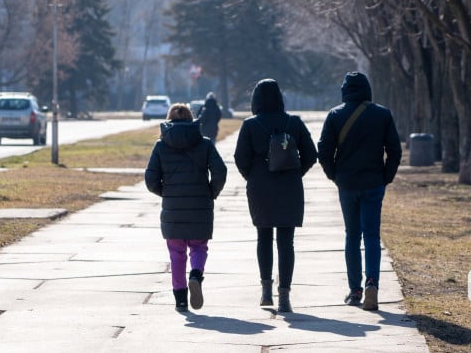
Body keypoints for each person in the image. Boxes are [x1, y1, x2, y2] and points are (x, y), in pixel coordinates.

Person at [317, 71, 402, 311]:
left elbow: (324, 151)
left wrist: (335, 175)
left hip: (347, 184)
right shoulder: (382, 114)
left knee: (352, 236)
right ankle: (372, 283)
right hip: (374, 182)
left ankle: (355, 290)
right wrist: (386, 177)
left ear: (345, 91)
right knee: (372, 235)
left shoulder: (335, 115)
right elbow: (394, 151)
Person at [234, 79, 317, 312]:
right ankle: (285, 297)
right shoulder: (294, 122)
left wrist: (253, 176)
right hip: (289, 185)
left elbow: (240, 158)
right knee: (286, 242)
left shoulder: (250, 125)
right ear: (280, 98)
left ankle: (265, 292)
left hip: (260, 186)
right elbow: (311, 154)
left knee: (263, 238)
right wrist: (295, 172)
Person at [145, 103, 227, 313]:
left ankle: (180, 300)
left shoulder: (161, 145)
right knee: (199, 247)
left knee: (176, 254)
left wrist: (166, 193)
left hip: (173, 209)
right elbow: (220, 171)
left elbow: (150, 179)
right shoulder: (205, 144)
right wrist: (211, 192)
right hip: (200, 206)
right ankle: (196, 276)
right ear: (192, 119)